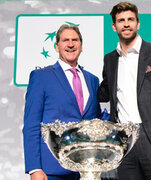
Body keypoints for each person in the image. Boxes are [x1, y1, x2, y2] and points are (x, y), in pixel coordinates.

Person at [98, 2, 151, 180]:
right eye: (121, 20)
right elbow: (104, 92)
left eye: (130, 19)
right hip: (123, 141)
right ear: (114, 27)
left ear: (138, 24)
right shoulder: (110, 59)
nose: (126, 24)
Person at [23, 24, 102, 180]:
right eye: (65, 40)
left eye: (75, 40)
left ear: (81, 46)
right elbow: (32, 125)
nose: (71, 44)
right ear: (57, 46)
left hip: (85, 170)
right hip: (51, 170)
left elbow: (95, 120)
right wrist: (34, 168)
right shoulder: (41, 77)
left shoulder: (92, 80)